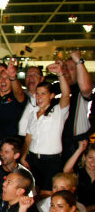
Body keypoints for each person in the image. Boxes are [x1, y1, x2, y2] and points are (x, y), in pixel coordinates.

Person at [21, 62, 70, 196]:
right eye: (38, 93)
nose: (40, 97)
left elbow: (66, 95)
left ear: (51, 96)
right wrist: (24, 156)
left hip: (51, 161)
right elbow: (28, 137)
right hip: (33, 159)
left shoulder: (58, 112)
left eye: (43, 93)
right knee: (33, 193)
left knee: (47, 194)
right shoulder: (33, 113)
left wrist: (60, 73)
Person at [64, 142, 95, 212]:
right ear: (84, 158)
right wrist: (79, 150)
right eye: (90, 157)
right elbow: (66, 171)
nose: (93, 162)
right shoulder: (78, 173)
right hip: (78, 211)